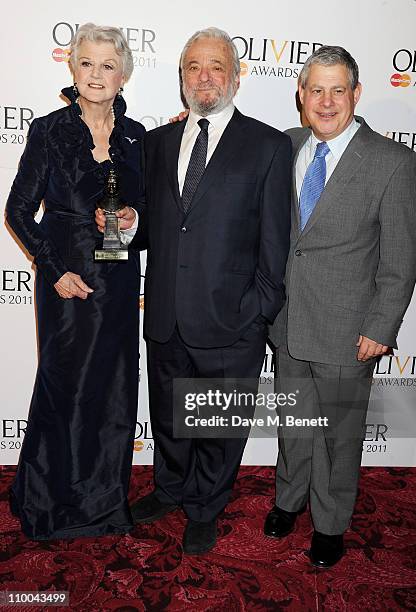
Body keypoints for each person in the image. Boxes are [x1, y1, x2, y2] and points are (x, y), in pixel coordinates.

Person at [97, 26, 292, 555]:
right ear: (182, 76)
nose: (204, 77)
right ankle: (170, 488)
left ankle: (206, 506)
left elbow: (277, 241)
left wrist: (258, 310)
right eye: (193, 68)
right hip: (164, 316)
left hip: (233, 321)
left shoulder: (269, 145)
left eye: (216, 66)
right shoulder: (158, 142)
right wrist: (129, 223)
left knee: (219, 425)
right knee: (168, 416)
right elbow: (155, 227)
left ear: (235, 75)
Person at [266, 45, 416, 568]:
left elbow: (402, 257)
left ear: (357, 94)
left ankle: (331, 523)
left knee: (339, 435)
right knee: (294, 425)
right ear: (301, 96)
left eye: (339, 90)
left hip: (349, 330)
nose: (327, 101)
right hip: (288, 323)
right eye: (316, 90)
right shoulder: (283, 147)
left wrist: (381, 325)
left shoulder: (394, 162)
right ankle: (288, 500)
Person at [6, 23, 145, 540]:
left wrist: (133, 218)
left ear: (123, 74)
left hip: (119, 280)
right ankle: (50, 504)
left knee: (112, 392)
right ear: (72, 67)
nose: (96, 74)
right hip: (66, 281)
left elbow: (148, 212)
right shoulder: (49, 129)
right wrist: (53, 269)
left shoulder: (136, 138)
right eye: (87, 62)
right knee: (63, 389)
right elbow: (18, 211)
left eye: (107, 65)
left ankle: (103, 504)